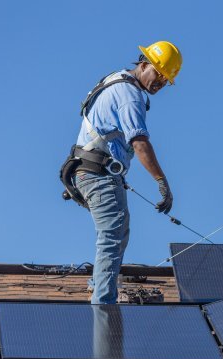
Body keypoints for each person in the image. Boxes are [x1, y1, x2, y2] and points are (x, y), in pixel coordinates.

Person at [59, 41, 182, 304]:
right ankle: (103, 304)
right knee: (112, 236)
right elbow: (139, 142)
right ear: (144, 63)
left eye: (165, 79)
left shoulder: (115, 81)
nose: (160, 82)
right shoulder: (130, 95)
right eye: (158, 74)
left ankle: (100, 284)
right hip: (97, 173)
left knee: (119, 229)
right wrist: (162, 182)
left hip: (91, 170)